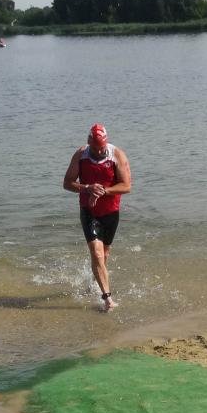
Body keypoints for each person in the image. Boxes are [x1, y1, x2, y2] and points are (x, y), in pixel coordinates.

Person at [63, 123, 131, 311]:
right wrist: (87, 188)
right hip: (89, 211)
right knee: (97, 253)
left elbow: (126, 186)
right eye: (94, 148)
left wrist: (103, 191)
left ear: (106, 142)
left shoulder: (117, 155)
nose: (98, 151)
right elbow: (67, 183)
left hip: (110, 212)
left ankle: (94, 284)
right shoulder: (81, 155)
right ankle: (107, 298)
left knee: (104, 255)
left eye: (101, 148)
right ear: (88, 142)